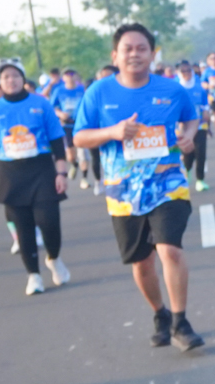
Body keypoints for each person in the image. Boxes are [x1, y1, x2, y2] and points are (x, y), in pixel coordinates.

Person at [73, 23, 205, 351]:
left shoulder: (171, 89)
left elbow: (192, 117)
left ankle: (180, 322)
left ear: (152, 54)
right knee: (142, 262)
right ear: (115, 56)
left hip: (167, 183)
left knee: (169, 249)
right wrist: (113, 132)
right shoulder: (99, 93)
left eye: (142, 48)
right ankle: (160, 313)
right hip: (123, 192)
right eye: (128, 49)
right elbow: (79, 137)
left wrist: (188, 136)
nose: (135, 54)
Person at [0, 60, 70, 295]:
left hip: (41, 169)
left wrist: (61, 172)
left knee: (49, 221)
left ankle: (54, 258)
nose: (11, 80)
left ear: (23, 79)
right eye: (6, 77)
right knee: (23, 228)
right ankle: (34, 276)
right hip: (9, 174)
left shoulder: (41, 103)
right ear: (0, 82)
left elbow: (56, 139)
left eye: (15, 76)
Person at [49, 68, 91, 191]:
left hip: (81, 125)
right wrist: (60, 114)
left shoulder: (82, 90)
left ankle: (84, 178)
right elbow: (52, 107)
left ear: (76, 76)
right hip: (66, 125)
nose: (70, 76)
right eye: (67, 74)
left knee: (83, 153)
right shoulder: (59, 91)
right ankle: (74, 164)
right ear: (63, 78)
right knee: (71, 155)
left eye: (72, 74)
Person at [174, 59, 211, 193]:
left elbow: (205, 103)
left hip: (200, 125)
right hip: (182, 126)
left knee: (201, 151)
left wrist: (206, 112)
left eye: (188, 71)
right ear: (178, 73)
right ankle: (186, 172)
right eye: (183, 71)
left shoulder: (198, 87)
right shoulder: (175, 88)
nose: (186, 74)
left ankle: (200, 179)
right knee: (187, 152)